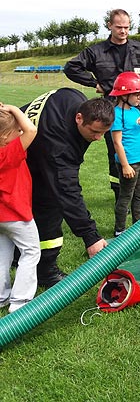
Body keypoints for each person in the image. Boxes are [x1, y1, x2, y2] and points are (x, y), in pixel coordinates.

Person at [64, 8, 140, 206]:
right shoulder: (96, 52)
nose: (123, 31)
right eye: (119, 27)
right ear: (109, 26)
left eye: (127, 27)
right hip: (110, 109)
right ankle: (121, 195)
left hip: (136, 108)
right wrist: (95, 84)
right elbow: (71, 67)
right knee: (116, 151)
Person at [22, 89, 114, 287]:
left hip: (33, 153)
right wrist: (91, 237)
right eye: (95, 132)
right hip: (18, 159)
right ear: (79, 118)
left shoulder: (73, 97)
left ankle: (19, 255)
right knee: (51, 206)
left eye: (103, 133)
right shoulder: (59, 145)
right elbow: (67, 191)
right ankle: (45, 271)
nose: (98, 139)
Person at [0, 103, 40, 313]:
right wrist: (15, 109)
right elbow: (32, 129)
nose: (21, 132)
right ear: (6, 137)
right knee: (31, 251)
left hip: (1, 217)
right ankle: (20, 302)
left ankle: (1, 296)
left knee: (2, 254)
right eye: (17, 130)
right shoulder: (8, 153)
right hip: (17, 215)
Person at [108, 73, 140, 237]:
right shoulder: (117, 114)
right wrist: (125, 165)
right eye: (137, 94)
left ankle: (138, 227)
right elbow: (117, 142)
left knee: (139, 196)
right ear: (124, 95)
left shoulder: (135, 111)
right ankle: (120, 229)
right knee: (126, 196)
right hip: (130, 162)